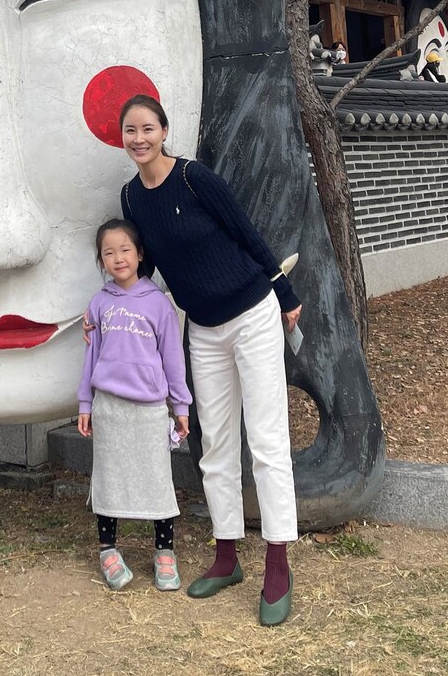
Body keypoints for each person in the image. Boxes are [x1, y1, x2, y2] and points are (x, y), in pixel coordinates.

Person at [117, 94, 302, 627]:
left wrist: (285, 294)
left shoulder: (196, 178)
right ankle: (226, 556)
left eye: (148, 128)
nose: (139, 139)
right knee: (216, 441)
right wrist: (116, 307)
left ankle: (277, 563)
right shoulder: (132, 198)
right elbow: (147, 265)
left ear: (163, 130)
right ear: (122, 137)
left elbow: (246, 232)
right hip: (202, 327)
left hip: (251, 314)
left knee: (266, 442)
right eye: (130, 130)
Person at [77, 219, 191, 592]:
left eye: (125, 249)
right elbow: (91, 358)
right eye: (108, 253)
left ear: (140, 254)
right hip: (109, 408)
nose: (118, 258)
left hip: (149, 411)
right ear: (101, 261)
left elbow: (173, 358)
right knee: (108, 479)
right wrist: (85, 403)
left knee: (158, 481)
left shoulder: (159, 304)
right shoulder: (98, 304)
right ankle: (107, 549)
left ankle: (164, 552)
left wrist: (181, 405)